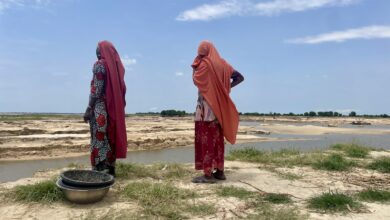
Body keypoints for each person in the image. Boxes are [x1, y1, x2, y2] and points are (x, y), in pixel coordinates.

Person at [192, 41, 244, 183]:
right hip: (219, 109)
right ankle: (220, 171)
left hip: (206, 109)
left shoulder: (203, 64)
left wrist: (195, 64)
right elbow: (240, 77)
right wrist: (225, 89)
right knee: (217, 140)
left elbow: (196, 80)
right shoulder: (224, 64)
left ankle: (208, 174)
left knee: (206, 140)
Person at [84, 40, 128, 176]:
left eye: (98, 49)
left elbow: (96, 89)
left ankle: (98, 170)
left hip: (100, 108)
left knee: (98, 137)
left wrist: (89, 108)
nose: (96, 51)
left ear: (102, 51)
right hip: (113, 109)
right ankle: (111, 169)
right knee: (110, 137)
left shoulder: (99, 65)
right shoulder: (115, 68)